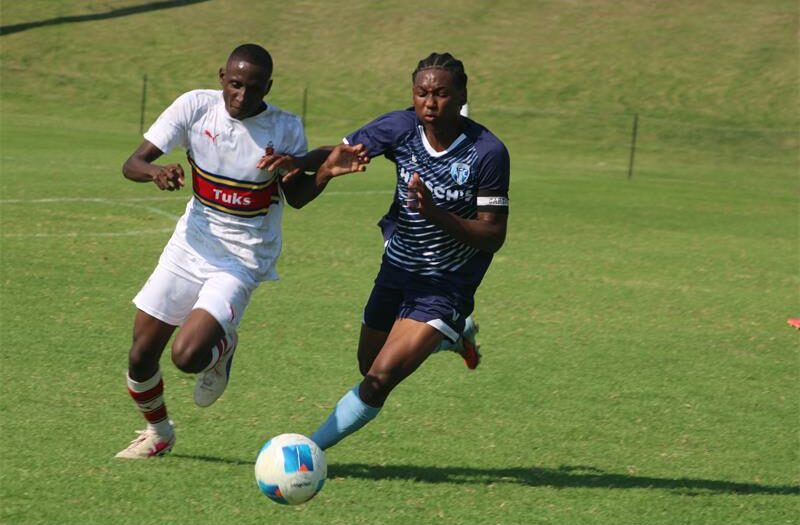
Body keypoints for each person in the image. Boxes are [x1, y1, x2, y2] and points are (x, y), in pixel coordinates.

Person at [115, 43, 368, 459]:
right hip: (190, 245)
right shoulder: (195, 107)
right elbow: (133, 163)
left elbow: (297, 196)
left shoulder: (285, 127)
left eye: (254, 89)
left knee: (188, 355)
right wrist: (157, 172)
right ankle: (158, 432)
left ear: (268, 86)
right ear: (221, 77)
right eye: (235, 85)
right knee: (141, 356)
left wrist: (322, 171)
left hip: (242, 259)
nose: (242, 96)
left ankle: (222, 348)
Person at [266, 52, 510, 450]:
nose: (430, 103)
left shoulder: (487, 151)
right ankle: (451, 337)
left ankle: (307, 450)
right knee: (368, 366)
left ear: (462, 95)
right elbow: (341, 151)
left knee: (379, 380)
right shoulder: (401, 126)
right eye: (421, 93)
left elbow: (493, 234)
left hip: (445, 283)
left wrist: (435, 212)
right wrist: (301, 162)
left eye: (442, 94)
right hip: (397, 269)